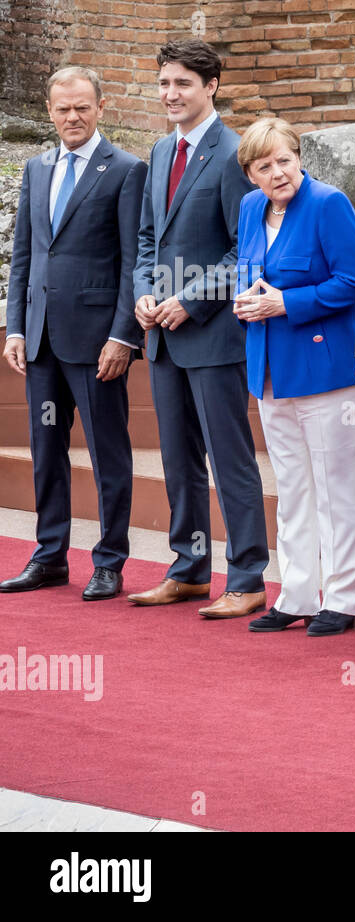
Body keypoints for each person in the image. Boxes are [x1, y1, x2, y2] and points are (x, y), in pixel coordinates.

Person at [128, 39, 269, 618]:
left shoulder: (233, 153)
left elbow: (246, 251)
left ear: (211, 86)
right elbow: (145, 239)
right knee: (177, 458)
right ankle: (187, 570)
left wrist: (189, 299)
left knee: (227, 457)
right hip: (161, 338)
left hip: (212, 337)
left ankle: (249, 578)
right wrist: (143, 291)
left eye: (183, 83)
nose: (171, 94)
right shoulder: (161, 152)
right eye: (164, 83)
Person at [1, 67, 146, 601]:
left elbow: (135, 262)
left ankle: (110, 561)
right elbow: (25, 256)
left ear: (101, 108)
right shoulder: (37, 168)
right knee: (46, 450)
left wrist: (123, 336)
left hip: (98, 344)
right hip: (39, 339)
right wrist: (16, 326)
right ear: (49, 110)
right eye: (63, 108)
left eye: (83, 107)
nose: (73, 117)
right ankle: (49, 556)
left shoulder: (127, 170)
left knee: (110, 453)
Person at [231, 118, 355, 636]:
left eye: (285, 160)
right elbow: (250, 272)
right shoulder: (250, 209)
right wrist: (245, 301)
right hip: (270, 373)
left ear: (299, 157)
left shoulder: (329, 204)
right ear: (250, 175)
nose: (278, 172)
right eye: (264, 166)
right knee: (290, 489)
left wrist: (284, 303)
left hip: (330, 373)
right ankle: (295, 595)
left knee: (338, 491)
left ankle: (342, 599)